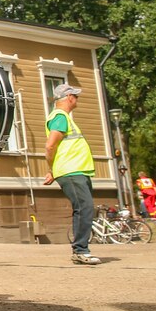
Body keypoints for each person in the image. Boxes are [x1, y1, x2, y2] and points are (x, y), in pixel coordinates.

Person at [41, 84, 101, 265]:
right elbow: (50, 146)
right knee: (85, 207)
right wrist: (52, 169)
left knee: (84, 209)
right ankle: (81, 251)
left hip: (75, 170)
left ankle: (80, 250)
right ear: (69, 98)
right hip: (70, 171)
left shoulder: (64, 118)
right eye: (76, 96)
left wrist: (53, 170)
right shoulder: (60, 117)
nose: (77, 99)